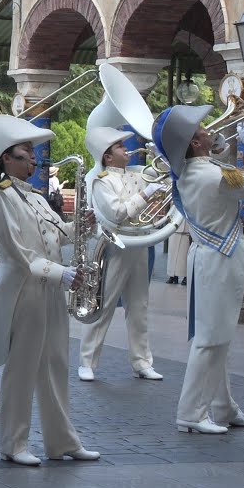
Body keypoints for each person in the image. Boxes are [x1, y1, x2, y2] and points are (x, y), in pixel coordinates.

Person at [0, 115, 100, 466]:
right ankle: (13, 443)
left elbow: (57, 234)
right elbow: (20, 254)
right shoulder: (0, 198)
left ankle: (62, 441)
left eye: (33, 153)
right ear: (5, 159)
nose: (34, 159)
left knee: (56, 363)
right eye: (25, 152)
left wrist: (81, 226)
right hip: (21, 290)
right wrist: (63, 274)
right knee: (23, 367)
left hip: (47, 289)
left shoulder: (36, 197)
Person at [153, 106, 244, 435]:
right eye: (202, 131)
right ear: (194, 144)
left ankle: (223, 405)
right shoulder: (209, 175)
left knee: (219, 336)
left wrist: (219, 150)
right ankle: (191, 412)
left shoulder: (196, 171)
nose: (209, 131)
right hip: (221, 258)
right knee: (210, 339)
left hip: (212, 255)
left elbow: (225, 178)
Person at [76, 127, 164, 382]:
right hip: (115, 246)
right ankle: (87, 361)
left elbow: (167, 175)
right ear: (108, 157)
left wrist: (162, 153)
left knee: (139, 306)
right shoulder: (102, 181)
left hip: (139, 244)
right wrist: (145, 195)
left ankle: (142, 362)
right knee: (102, 304)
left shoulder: (136, 174)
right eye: (119, 147)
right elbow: (116, 214)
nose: (126, 149)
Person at [167, 218, 191, 285]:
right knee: (172, 255)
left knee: (184, 256)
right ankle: (172, 276)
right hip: (173, 228)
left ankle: (186, 277)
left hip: (187, 230)